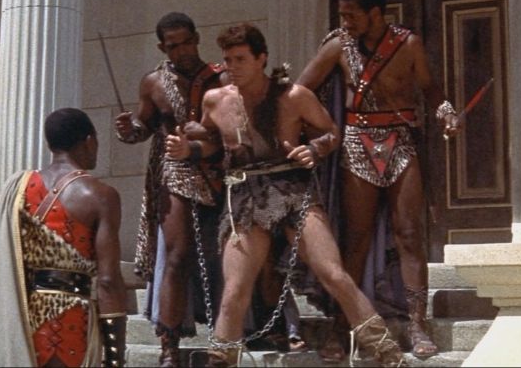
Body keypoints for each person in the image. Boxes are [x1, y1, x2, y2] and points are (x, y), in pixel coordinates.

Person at [167, 23, 404, 367]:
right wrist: (187, 149)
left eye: (240, 59)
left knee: (333, 274)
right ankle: (221, 360)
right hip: (245, 195)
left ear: (261, 58)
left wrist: (314, 149)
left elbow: (330, 132)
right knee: (235, 289)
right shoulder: (215, 100)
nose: (232, 67)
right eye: (228, 60)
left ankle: (388, 353)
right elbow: (214, 143)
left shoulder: (293, 96)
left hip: (292, 189)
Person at [295, 0, 464, 359]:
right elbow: (301, 90)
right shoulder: (338, 46)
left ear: (375, 13)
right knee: (356, 239)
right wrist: (321, 132)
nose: (345, 22)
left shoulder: (408, 44)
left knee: (410, 233)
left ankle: (417, 323)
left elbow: (430, 88)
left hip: (400, 141)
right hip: (357, 143)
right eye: (342, 15)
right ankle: (343, 325)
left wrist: (446, 113)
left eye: (351, 15)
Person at [0, 108, 126, 367]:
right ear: (89, 141)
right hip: (71, 319)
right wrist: (115, 356)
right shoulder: (100, 195)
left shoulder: (18, 187)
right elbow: (109, 281)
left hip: (19, 315)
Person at [114, 12, 226, 366]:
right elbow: (144, 125)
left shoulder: (220, 78)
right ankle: (169, 343)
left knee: (227, 254)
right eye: (174, 46)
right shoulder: (154, 83)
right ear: (163, 48)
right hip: (174, 169)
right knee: (177, 255)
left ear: (197, 38)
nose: (183, 51)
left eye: (187, 42)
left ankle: (232, 335)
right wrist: (128, 129)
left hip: (218, 168)